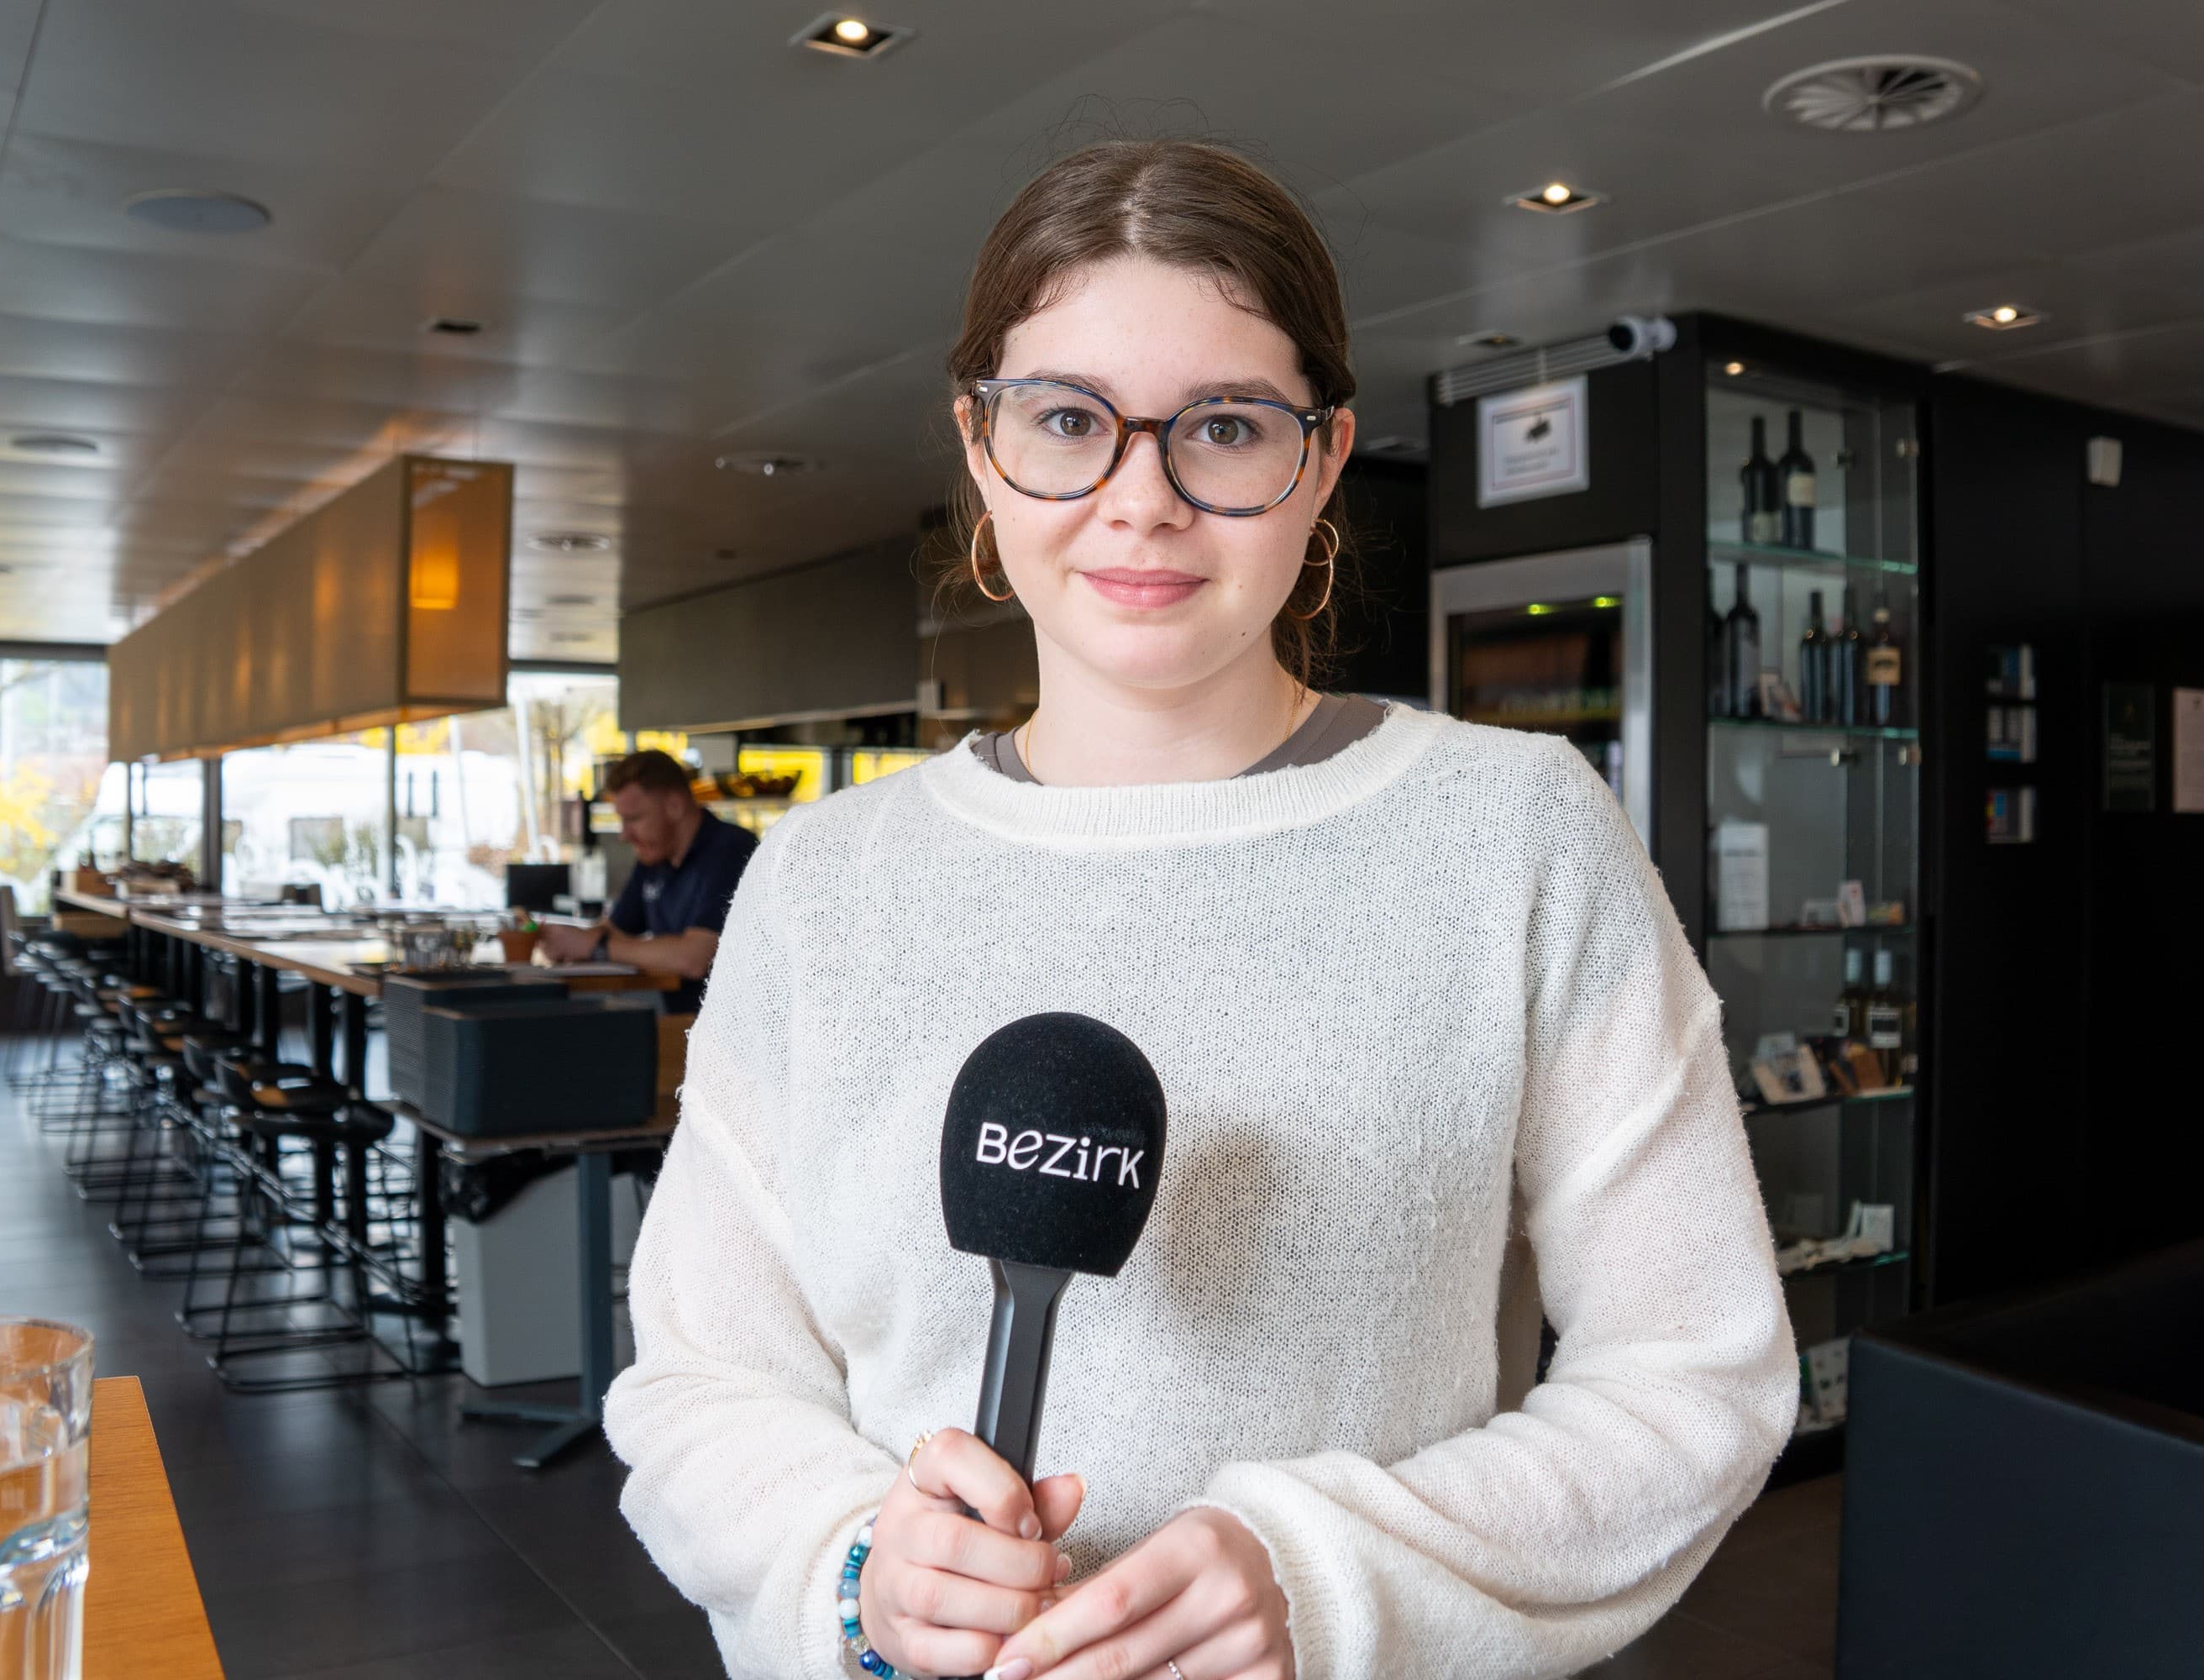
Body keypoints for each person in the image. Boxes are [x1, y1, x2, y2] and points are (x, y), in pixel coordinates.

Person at [605, 140, 1794, 1680]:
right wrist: (854, 1577)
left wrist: (1326, 1578)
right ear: (980, 445)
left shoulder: (1515, 834)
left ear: (1324, 456)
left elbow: (1696, 1374)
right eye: (1067, 421)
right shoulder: (823, 883)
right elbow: (703, 1378)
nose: (1141, 501)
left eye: (1224, 427)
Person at [537, 748, 756, 1015]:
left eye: (633, 819)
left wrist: (594, 946)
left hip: (732, 1027)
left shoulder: (730, 850)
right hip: (677, 1018)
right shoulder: (655, 857)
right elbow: (614, 931)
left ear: (674, 806)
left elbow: (695, 958)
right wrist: (564, 940)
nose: (623, 835)